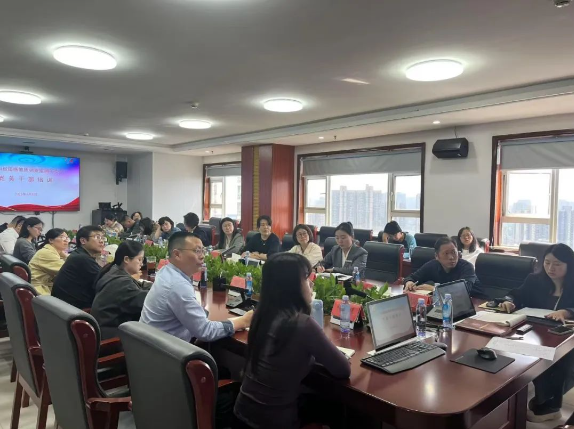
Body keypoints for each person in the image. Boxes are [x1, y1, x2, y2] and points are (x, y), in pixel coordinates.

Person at [234, 253, 351, 429]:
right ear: (291, 286)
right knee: (339, 409)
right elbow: (343, 370)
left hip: (241, 416)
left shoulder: (261, 315)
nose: (311, 283)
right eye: (306, 278)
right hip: (274, 423)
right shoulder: (302, 323)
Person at [498, 244, 574, 423]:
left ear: (569, 264)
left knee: (554, 359)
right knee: (524, 355)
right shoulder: (535, 280)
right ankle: (537, 399)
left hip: (566, 336)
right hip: (536, 333)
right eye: (547, 262)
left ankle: (550, 406)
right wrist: (510, 301)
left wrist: (566, 312)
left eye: (557, 264)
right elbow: (516, 294)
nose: (550, 268)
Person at [140, 231, 252, 342]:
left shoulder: (166, 271)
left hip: (150, 345)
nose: (202, 256)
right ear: (177, 254)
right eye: (197, 251)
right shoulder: (178, 285)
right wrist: (244, 321)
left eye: (203, 250)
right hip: (165, 350)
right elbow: (206, 331)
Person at [92, 241, 148, 339]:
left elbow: (138, 285)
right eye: (139, 259)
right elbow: (146, 301)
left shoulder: (113, 270)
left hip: (104, 327)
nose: (142, 264)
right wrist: (162, 291)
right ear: (126, 259)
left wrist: (155, 286)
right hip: (111, 336)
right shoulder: (123, 283)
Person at [403, 237, 483, 297]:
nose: (451, 257)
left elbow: (463, 291)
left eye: (453, 252)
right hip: (449, 304)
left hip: (477, 304)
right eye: (446, 253)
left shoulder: (467, 267)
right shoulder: (433, 265)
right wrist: (409, 282)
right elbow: (411, 277)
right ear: (437, 256)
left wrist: (435, 289)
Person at [52, 226, 104, 309]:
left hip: (64, 306)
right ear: (83, 241)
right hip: (74, 309)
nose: (101, 241)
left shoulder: (79, 254)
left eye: (102, 237)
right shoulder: (82, 258)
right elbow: (106, 280)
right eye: (97, 237)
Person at [29, 229, 69, 295]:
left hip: (46, 287)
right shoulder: (47, 253)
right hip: (39, 291)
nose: (66, 240)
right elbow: (67, 271)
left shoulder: (54, 251)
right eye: (62, 237)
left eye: (67, 238)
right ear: (51, 240)